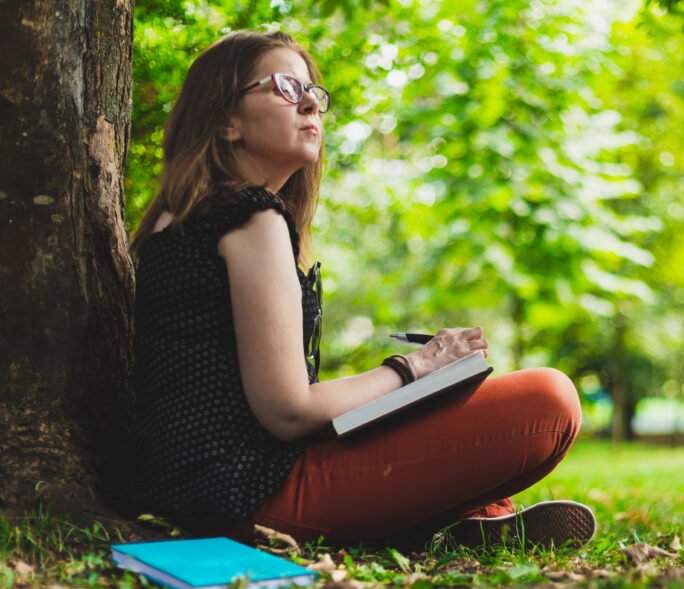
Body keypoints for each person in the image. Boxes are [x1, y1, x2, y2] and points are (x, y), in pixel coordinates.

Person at [128, 30, 595, 550]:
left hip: (205, 488)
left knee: (442, 411)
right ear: (225, 120)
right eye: (285, 87)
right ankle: (456, 516)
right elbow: (287, 411)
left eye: (313, 93)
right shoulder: (249, 217)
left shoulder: (182, 219)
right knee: (550, 401)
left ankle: (470, 517)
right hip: (246, 499)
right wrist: (415, 367)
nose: (309, 102)